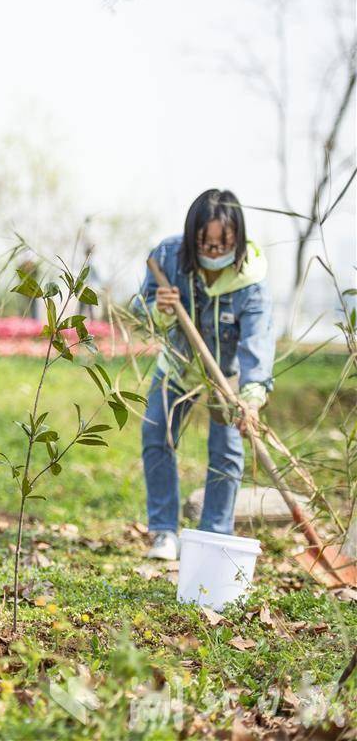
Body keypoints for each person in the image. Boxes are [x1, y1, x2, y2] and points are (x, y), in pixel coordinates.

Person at [133, 189, 274, 561]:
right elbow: (139, 310)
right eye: (205, 243)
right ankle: (164, 532)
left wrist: (253, 397)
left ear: (238, 239)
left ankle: (214, 536)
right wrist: (159, 309)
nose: (213, 251)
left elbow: (258, 342)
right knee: (155, 432)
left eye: (223, 243)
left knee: (226, 450)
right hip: (179, 364)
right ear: (192, 236)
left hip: (224, 376)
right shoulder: (169, 256)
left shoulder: (251, 281)